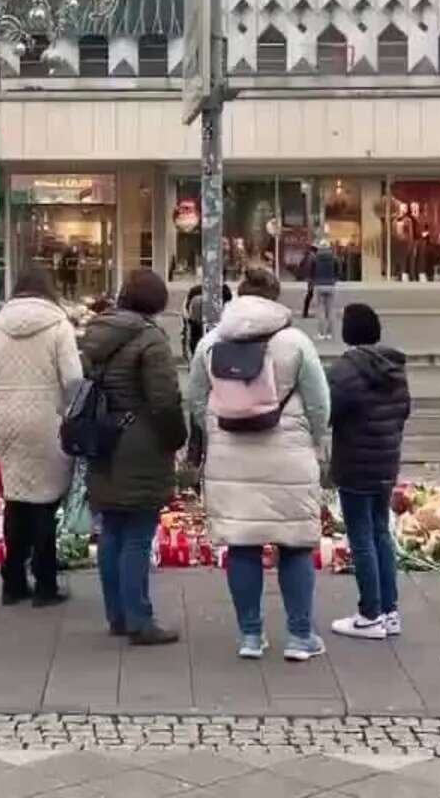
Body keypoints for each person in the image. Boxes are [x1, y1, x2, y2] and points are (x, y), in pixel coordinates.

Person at [186, 267, 332, 663]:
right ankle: (301, 636)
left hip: (230, 456)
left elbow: (196, 399)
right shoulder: (295, 341)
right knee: (295, 546)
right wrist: (314, 439)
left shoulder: (211, 342)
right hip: (289, 456)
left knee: (242, 545)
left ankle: (251, 636)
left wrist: (216, 430)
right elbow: (320, 403)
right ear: (275, 297)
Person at [82, 269, 186, 646]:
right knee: (138, 535)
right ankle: (140, 620)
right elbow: (164, 401)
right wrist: (177, 438)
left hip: (104, 440)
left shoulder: (97, 332)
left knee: (112, 531)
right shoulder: (150, 339)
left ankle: (118, 616)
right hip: (140, 443)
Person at [0, 266, 84, 607]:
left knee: (16, 499)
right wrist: (67, 411)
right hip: (46, 420)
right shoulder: (59, 327)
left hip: (7, 421)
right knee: (45, 502)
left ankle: (13, 580)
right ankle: (46, 582)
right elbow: (73, 379)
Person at [326, 303, 411, 642]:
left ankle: (369, 614)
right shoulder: (395, 367)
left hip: (355, 464)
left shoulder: (346, 369)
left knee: (361, 536)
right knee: (381, 534)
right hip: (386, 463)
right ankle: (390, 612)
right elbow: (404, 411)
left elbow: (327, 410)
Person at [307, 238, 340, 339]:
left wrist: (311, 283)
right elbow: (338, 271)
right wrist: (334, 279)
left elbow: (311, 272)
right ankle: (330, 333)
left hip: (319, 285)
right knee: (330, 310)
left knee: (320, 309)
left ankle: (321, 333)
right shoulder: (334, 258)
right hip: (330, 285)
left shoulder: (315, 258)